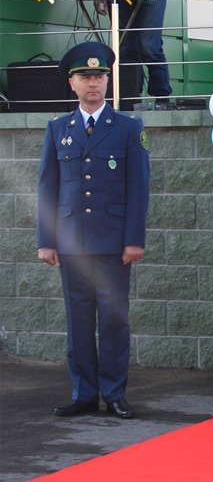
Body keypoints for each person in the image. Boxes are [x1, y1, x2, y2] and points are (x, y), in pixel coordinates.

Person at [37, 41, 151, 420]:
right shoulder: (58, 129)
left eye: (99, 76)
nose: (93, 83)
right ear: (72, 83)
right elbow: (47, 188)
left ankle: (114, 393)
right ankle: (84, 393)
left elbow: (138, 188)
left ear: (107, 81)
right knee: (79, 320)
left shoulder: (128, 128)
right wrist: (46, 240)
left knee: (115, 320)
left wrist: (134, 239)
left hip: (113, 243)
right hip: (71, 244)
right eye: (85, 77)